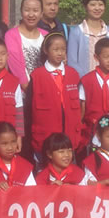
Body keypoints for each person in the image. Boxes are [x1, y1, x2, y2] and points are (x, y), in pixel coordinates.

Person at [27, 33, 81, 161]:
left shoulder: (73, 74)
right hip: (45, 139)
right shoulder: (37, 76)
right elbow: (28, 110)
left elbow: (80, 107)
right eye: (55, 49)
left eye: (63, 49)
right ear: (46, 50)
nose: (60, 53)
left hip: (70, 138)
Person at [66, 0, 109, 77]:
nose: (97, 8)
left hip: (107, 81)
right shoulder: (77, 32)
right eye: (92, 5)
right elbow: (72, 62)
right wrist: (88, 79)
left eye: (100, 4)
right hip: (84, 81)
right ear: (85, 6)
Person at [5, 0, 47, 89]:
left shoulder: (46, 36)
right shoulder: (11, 35)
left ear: (41, 13)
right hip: (23, 92)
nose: (31, 15)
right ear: (21, 11)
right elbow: (16, 68)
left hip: (45, 90)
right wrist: (29, 91)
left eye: (35, 10)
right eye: (27, 10)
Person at [0, 122, 36, 189]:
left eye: (13, 142)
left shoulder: (24, 166)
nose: (10, 148)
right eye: (4, 144)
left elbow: (32, 191)